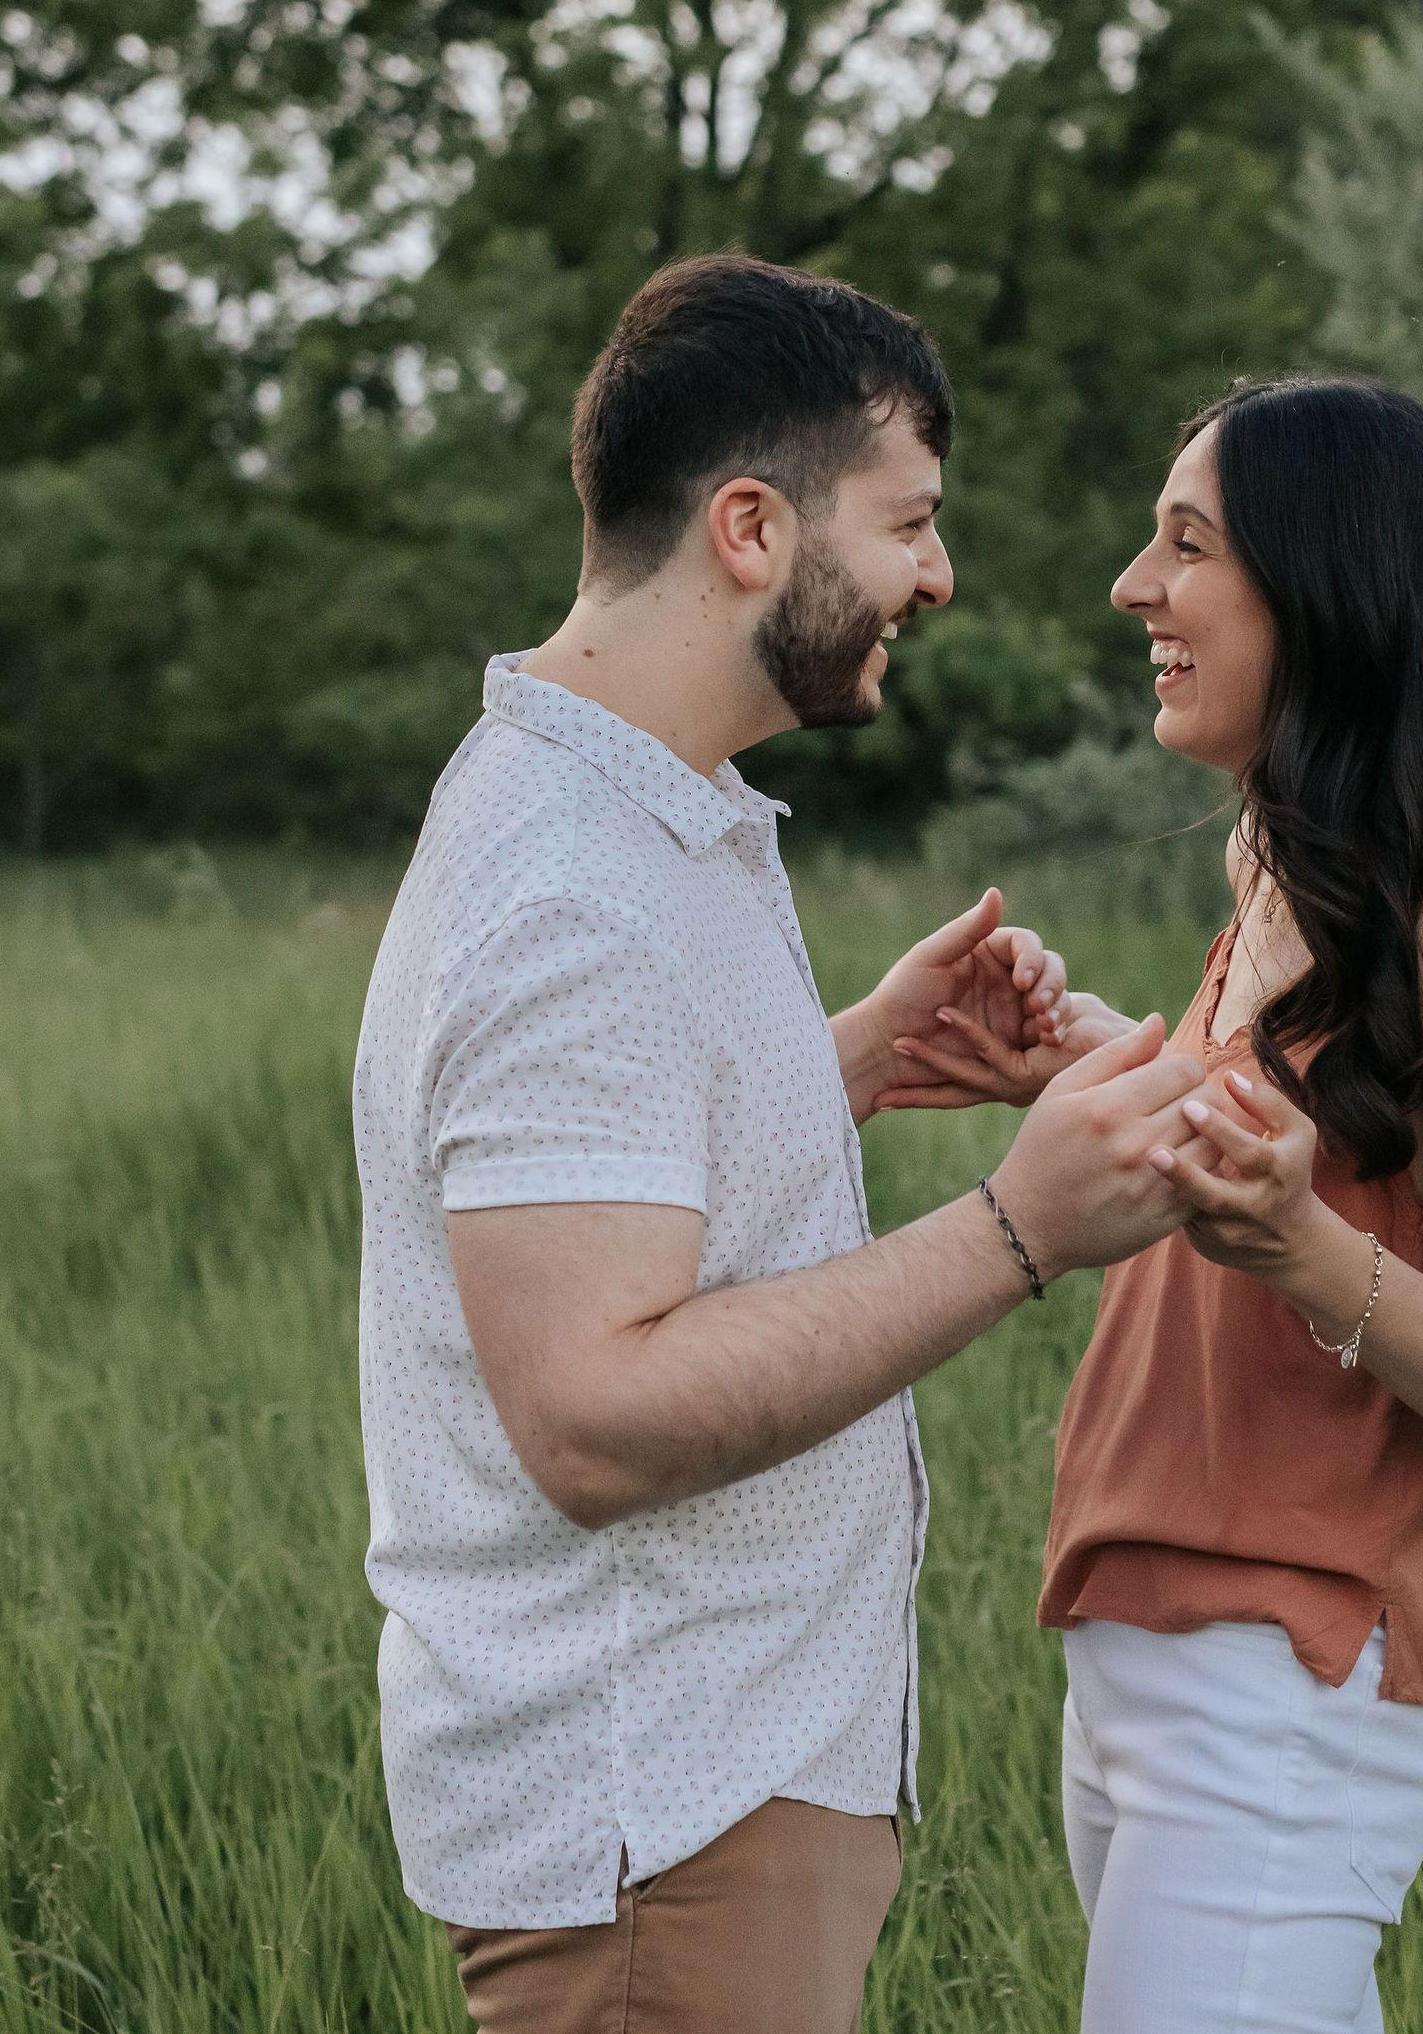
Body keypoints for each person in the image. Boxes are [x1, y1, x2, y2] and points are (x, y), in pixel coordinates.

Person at [350, 253, 1233, 2034]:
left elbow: (605, 1172)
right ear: (750, 527)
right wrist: (1019, 1225)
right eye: (907, 521)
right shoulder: (574, 887)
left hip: (708, 1801)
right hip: (660, 1815)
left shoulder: (638, 815)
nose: (938, 572)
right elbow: (595, 1414)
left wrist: (852, 1058)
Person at [873, 373, 1423, 2032]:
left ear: (1327, 589)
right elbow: (1302, 1142)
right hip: (1138, 1644)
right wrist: (1101, 1063)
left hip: (1287, 1673)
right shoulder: (1281, 865)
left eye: (1187, 546)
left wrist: (1308, 1252)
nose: (1134, 588)